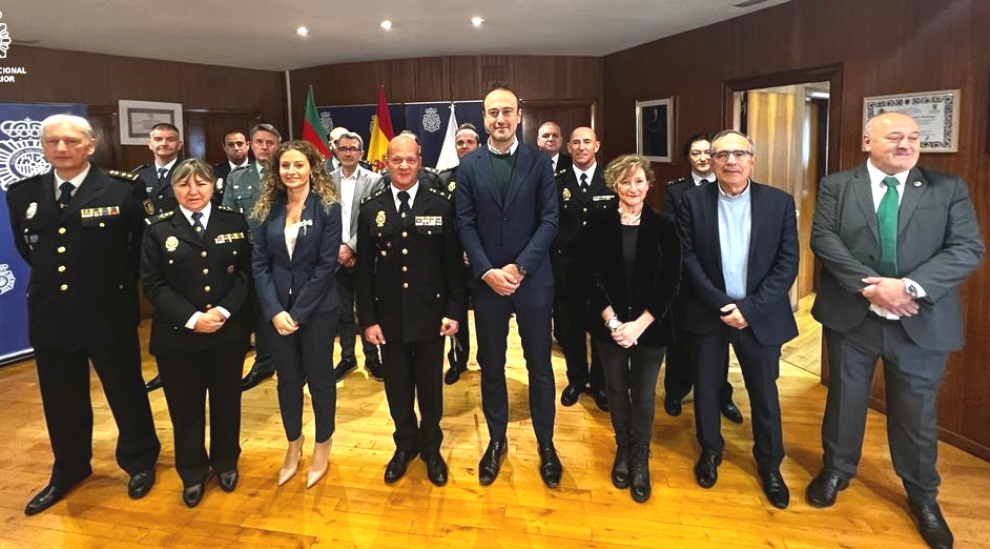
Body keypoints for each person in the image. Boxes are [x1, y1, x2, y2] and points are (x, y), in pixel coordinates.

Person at [807, 112, 984, 549]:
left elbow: (967, 248)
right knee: (845, 401)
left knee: (916, 413)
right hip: (854, 316)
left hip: (919, 320)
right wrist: (874, 289)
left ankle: (923, 496)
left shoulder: (948, 190)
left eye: (914, 138)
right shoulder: (837, 186)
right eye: (894, 137)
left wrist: (907, 288)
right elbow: (824, 239)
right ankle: (836, 471)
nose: (906, 145)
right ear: (867, 141)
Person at [5, 114, 160, 516]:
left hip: (107, 309)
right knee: (61, 398)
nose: (61, 148)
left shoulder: (122, 188)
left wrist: (112, 285)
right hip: (51, 313)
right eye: (52, 141)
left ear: (90, 146)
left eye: (71, 141)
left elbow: (140, 248)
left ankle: (139, 459)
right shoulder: (23, 192)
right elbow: (31, 249)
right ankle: (70, 467)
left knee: (125, 390)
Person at [677, 129, 798, 509]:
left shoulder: (779, 203)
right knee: (707, 389)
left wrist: (750, 308)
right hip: (708, 314)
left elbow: (787, 263)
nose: (731, 161)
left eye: (739, 153)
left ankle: (769, 463)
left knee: (764, 394)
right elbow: (687, 257)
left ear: (752, 160)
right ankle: (711, 450)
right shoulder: (691, 202)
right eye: (722, 154)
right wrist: (720, 304)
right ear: (711, 161)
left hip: (759, 316)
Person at [454, 84, 562, 488]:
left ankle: (546, 444)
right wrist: (486, 271)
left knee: (540, 366)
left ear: (519, 116)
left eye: (507, 112)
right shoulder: (469, 166)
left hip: (533, 282)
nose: (499, 119)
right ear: (484, 118)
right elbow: (463, 223)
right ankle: (496, 440)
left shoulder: (539, 163)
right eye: (492, 112)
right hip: (488, 286)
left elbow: (549, 221)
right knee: (492, 366)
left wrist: (519, 268)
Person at [141, 159, 253, 507]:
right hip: (179, 336)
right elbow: (154, 284)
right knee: (185, 409)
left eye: (201, 184)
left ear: (213, 187)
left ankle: (225, 462)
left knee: (226, 403)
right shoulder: (158, 229)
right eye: (184, 185)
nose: (193, 192)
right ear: (173, 189)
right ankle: (191, 471)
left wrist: (221, 311)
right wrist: (192, 318)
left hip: (226, 332)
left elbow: (246, 275)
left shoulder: (234, 222)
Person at [355, 135, 465, 486]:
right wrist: (368, 321)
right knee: (398, 387)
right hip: (388, 318)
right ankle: (405, 444)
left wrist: (454, 310)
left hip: (431, 315)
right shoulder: (372, 206)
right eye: (396, 160)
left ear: (421, 161)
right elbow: (363, 273)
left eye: (410, 160)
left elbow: (453, 266)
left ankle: (431, 446)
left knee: (430, 386)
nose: (403, 166)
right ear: (385, 163)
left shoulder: (442, 203)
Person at [586, 154, 680, 503]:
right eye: (625, 182)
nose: (633, 188)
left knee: (642, 393)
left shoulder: (664, 225)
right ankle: (622, 448)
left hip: (650, 327)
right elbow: (589, 277)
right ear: (614, 186)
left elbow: (671, 282)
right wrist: (613, 322)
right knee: (614, 388)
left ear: (648, 184)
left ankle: (640, 456)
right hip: (608, 326)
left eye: (639, 181)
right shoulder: (597, 222)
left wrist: (638, 326)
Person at [252, 140, 342, 489]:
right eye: (285, 165)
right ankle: (294, 442)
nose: (291, 171)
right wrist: (274, 310)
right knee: (287, 379)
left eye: (298, 165)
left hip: (317, 311)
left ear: (311, 168)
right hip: (276, 312)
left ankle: (323, 443)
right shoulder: (267, 209)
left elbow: (325, 265)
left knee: (320, 379)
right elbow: (259, 264)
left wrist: (299, 312)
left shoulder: (328, 207)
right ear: (277, 171)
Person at [661, 133, 741, 423]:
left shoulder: (730, 188)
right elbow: (671, 234)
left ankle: (722, 394)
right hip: (685, 281)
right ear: (688, 158)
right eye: (696, 153)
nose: (703, 158)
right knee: (681, 343)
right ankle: (675, 391)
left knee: (718, 344)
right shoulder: (676, 191)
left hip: (721, 283)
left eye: (708, 152)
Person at [552, 126, 612, 412]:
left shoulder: (612, 179)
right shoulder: (557, 182)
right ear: (569, 148)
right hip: (568, 270)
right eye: (575, 142)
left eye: (587, 141)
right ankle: (576, 379)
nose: (581, 146)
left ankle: (600, 384)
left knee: (602, 331)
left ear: (597, 145)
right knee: (570, 329)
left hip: (604, 273)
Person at [225, 123, 281, 391]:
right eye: (259, 142)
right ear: (251, 144)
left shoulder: (288, 173)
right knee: (258, 312)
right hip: (250, 257)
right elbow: (228, 218)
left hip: (285, 257)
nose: (265, 147)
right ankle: (263, 362)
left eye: (270, 142)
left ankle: (292, 362)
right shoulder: (237, 178)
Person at [329, 130, 385, 382]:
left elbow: (373, 219)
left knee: (366, 309)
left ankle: (372, 358)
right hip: (335, 257)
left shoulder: (375, 180)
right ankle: (348, 357)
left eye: (353, 148)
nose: (348, 153)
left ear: (361, 153)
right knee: (342, 311)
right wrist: (338, 249)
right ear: (336, 151)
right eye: (343, 148)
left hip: (364, 255)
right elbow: (325, 219)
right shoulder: (326, 181)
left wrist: (350, 247)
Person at [436, 122, 481, 385]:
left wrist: (474, 251)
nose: (464, 147)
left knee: (488, 313)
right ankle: (458, 360)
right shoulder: (445, 178)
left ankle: (488, 360)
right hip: (453, 259)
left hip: (483, 260)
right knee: (456, 312)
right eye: (460, 143)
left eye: (469, 142)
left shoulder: (488, 175)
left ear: (479, 145)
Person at [135, 122, 183, 217]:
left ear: (179, 145)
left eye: (170, 139)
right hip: (149, 230)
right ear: (150, 144)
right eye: (158, 139)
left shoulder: (191, 172)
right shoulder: (139, 175)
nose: (164, 143)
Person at [212, 129, 252, 203]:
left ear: (247, 145)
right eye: (231, 145)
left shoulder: (261, 170)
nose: (236, 148)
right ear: (224, 147)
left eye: (240, 144)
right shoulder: (214, 173)